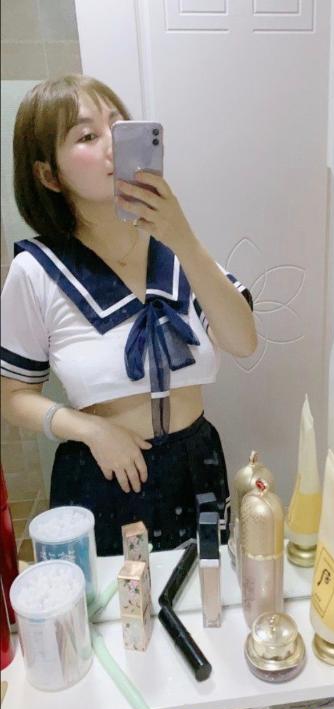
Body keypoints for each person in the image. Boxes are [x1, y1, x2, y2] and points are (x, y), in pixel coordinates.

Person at [0, 74, 257, 556]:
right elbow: (13, 397)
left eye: (118, 127)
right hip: (103, 474)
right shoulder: (37, 271)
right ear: (49, 175)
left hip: (197, 466)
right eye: (87, 136)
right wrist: (90, 429)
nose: (112, 145)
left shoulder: (180, 253)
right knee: (117, 605)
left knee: (205, 595)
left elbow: (244, 342)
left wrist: (182, 237)